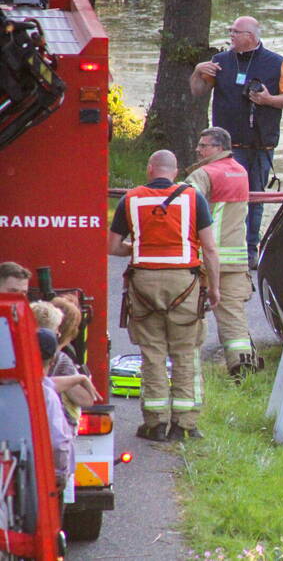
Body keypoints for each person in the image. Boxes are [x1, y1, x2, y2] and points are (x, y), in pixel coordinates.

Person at [107, 150, 221, 442]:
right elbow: (209, 248)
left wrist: (140, 248)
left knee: (152, 353)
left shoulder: (130, 199)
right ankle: (184, 424)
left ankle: (155, 423)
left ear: (149, 169)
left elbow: (113, 246)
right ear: (175, 170)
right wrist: (215, 287)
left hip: (143, 284)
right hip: (184, 284)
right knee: (185, 353)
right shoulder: (194, 198)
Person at [190, 16, 283, 269]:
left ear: (250, 36)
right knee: (221, 196)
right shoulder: (220, 61)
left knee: (254, 198)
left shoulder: (276, 62)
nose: (231, 35)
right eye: (230, 31)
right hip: (225, 148)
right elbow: (197, 91)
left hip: (260, 144)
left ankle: (251, 249)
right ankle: (215, 247)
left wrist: (268, 100)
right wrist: (197, 71)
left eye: (235, 32)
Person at [185, 127, 262, 378]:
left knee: (189, 312)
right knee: (232, 317)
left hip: (205, 257)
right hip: (236, 261)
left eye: (203, 145)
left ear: (219, 148)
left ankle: (187, 367)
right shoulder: (240, 171)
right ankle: (243, 366)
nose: (198, 149)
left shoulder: (203, 174)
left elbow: (182, 206)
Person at [37, 327, 75, 492]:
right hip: (40, 479)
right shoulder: (46, 395)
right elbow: (58, 442)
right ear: (52, 361)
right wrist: (60, 473)